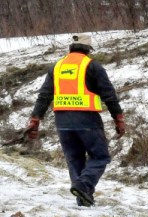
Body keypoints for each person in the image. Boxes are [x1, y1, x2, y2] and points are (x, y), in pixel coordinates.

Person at [25, 34, 125, 207]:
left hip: (62, 121)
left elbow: (44, 95)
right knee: (100, 156)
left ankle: (83, 199)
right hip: (87, 119)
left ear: (70, 48)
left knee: (74, 159)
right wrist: (118, 118)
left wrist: (35, 119)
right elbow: (109, 96)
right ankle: (83, 185)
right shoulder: (92, 66)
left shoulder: (57, 67)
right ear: (88, 50)